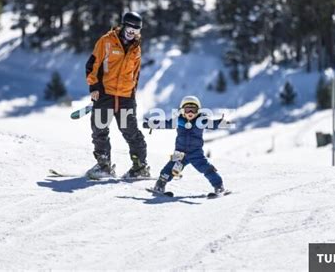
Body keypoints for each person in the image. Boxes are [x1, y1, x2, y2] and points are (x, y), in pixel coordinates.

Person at [85, 11, 150, 179]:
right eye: (130, 27)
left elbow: (136, 75)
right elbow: (92, 64)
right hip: (105, 94)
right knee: (99, 128)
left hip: (125, 98)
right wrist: (94, 86)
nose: (132, 31)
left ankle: (140, 166)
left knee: (130, 131)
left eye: (136, 29)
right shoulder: (106, 41)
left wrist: (132, 96)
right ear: (123, 25)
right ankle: (104, 165)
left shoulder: (136, 49)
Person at [143, 96, 228, 195]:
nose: (190, 112)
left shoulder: (201, 121)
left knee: (207, 169)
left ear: (198, 111)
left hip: (196, 153)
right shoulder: (179, 121)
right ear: (182, 110)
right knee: (169, 169)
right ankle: (159, 186)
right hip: (180, 153)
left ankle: (219, 187)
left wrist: (219, 122)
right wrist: (152, 124)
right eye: (187, 109)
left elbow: (212, 124)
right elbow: (165, 124)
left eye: (193, 109)